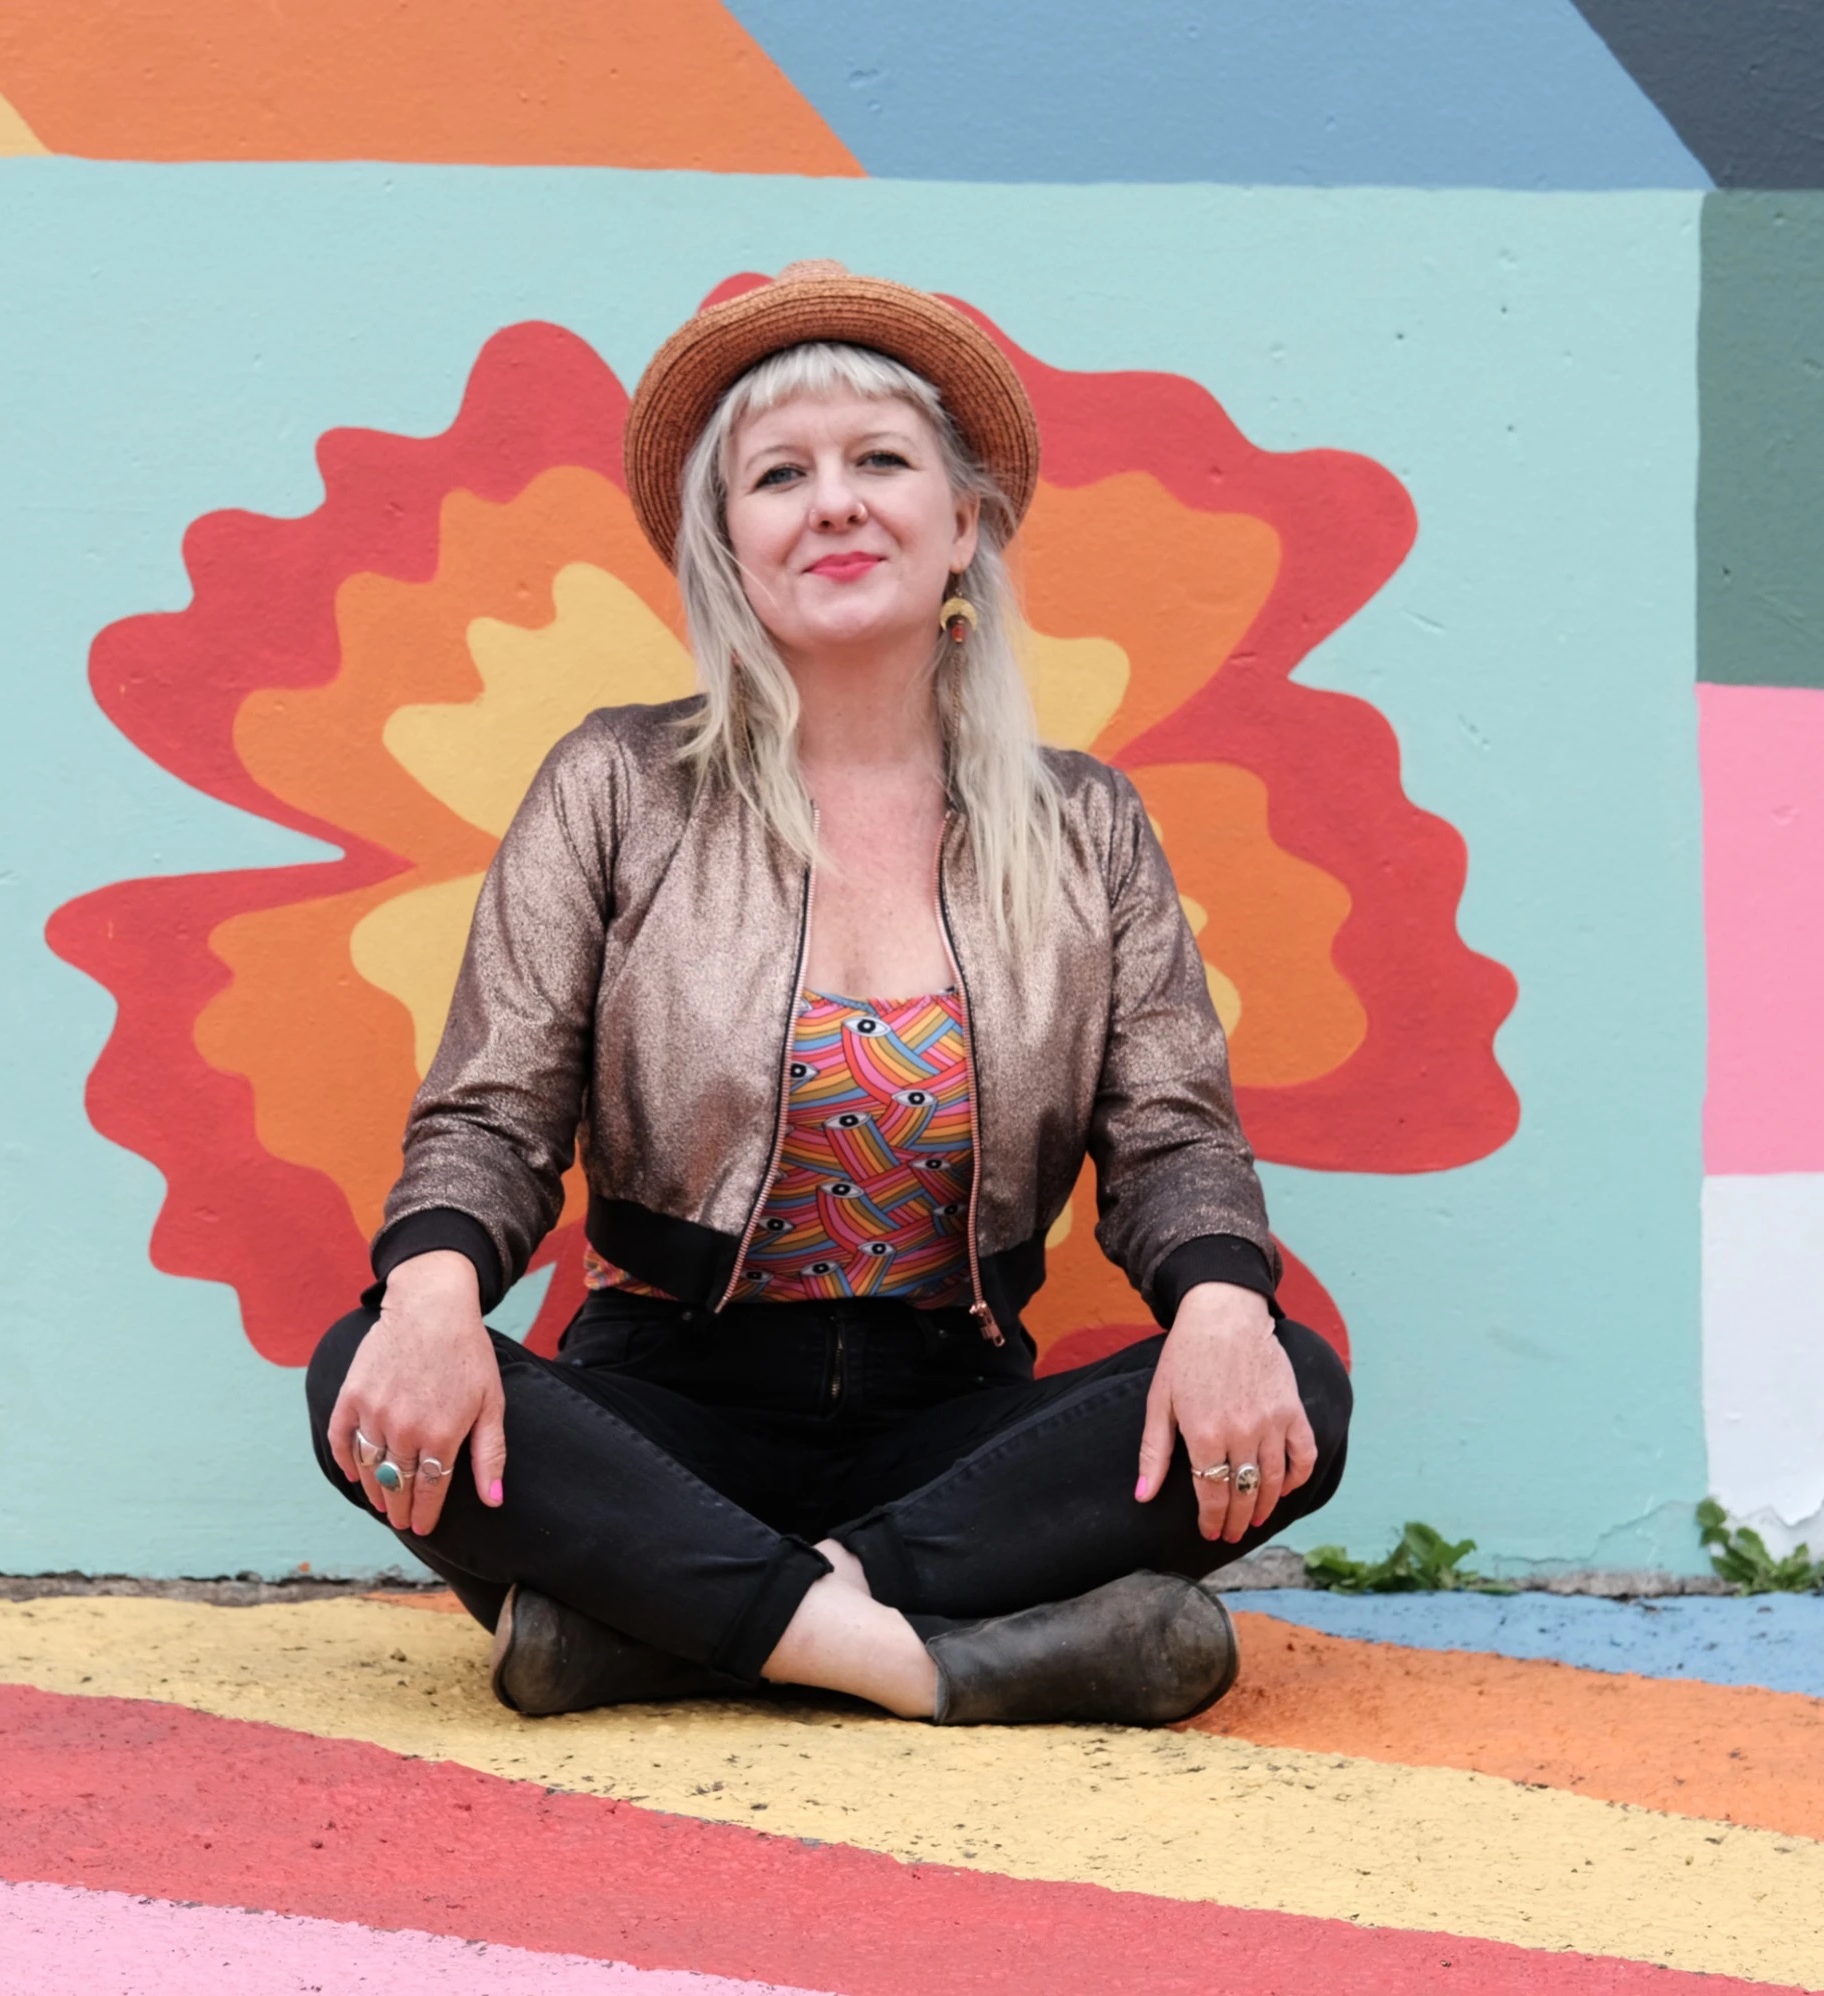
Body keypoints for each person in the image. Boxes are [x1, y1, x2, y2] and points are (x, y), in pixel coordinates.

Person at [305, 261, 1351, 1726]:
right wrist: (429, 1296)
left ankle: (658, 1624)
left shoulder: (1086, 826)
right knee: (364, 1365)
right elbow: (492, 1112)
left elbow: (1174, 1140)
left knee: (1300, 1386)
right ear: (730, 547)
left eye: (880, 461)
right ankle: (921, 1657)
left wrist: (1227, 1306)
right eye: (780, 475)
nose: (836, 502)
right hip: (663, 1408)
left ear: (963, 524)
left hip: (954, 1422)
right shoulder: (616, 785)